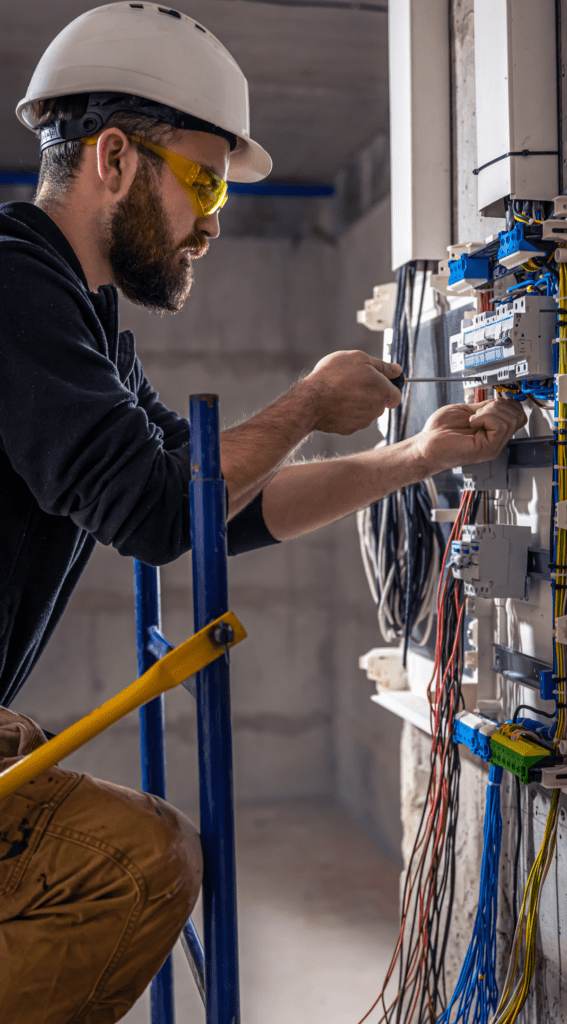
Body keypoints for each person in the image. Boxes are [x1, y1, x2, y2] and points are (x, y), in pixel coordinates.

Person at [0, 3, 526, 1020]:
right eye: (202, 180)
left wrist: (414, 455)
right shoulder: (15, 286)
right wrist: (304, 407)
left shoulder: (83, 315)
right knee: (142, 865)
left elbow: (211, 507)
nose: (213, 218)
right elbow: (159, 509)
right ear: (113, 157)